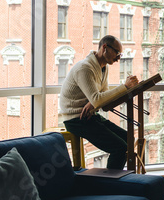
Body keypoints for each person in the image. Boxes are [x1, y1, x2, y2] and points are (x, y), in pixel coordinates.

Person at [59, 35, 139, 169]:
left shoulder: (103, 67)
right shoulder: (85, 68)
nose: (119, 57)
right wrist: (124, 87)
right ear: (105, 48)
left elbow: (101, 96)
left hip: (89, 114)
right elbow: (98, 98)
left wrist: (93, 102)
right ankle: (109, 185)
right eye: (117, 53)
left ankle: (116, 180)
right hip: (75, 119)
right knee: (120, 148)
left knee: (128, 138)